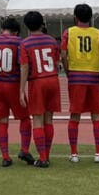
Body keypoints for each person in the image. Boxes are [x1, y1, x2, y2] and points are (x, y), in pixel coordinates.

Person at [0, 18, 34, 167]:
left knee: (3, 121)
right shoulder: (19, 42)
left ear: (2, 29)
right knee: (25, 118)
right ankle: (24, 149)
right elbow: (23, 64)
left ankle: (5, 156)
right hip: (12, 83)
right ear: (17, 31)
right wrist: (21, 89)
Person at [62, 3, 99, 163]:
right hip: (93, 75)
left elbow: (63, 54)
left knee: (75, 115)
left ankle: (74, 154)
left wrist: (68, 72)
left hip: (75, 75)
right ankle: (98, 153)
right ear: (91, 17)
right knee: (96, 115)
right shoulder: (98, 33)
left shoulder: (68, 32)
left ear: (75, 17)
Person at [19, 11, 61, 168]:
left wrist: (21, 89)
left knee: (37, 119)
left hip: (37, 81)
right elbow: (57, 61)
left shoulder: (25, 43)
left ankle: (42, 158)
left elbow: (24, 66)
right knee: (49, 119)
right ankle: (47, 155)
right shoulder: (51, 40)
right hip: (52, 78)